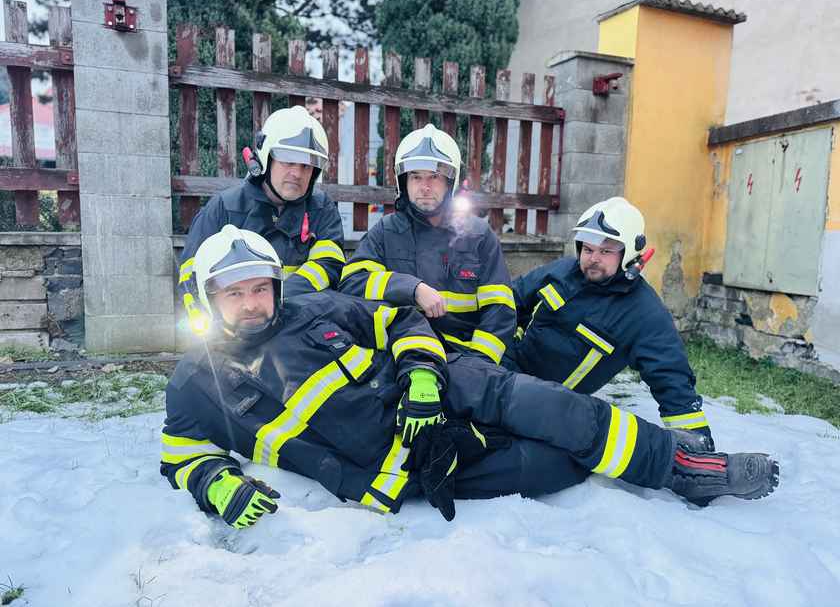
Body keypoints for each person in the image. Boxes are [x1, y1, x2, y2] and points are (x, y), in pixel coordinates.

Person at [159, 225, 778, 528]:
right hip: (413, 464)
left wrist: (422, 376)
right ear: (206, 299)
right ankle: (635, 456)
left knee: (558, 409)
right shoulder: (195, 382)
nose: (252, 304)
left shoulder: (311, 307)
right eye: (234, 293)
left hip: (447, 383)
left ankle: (686, 468)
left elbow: (399, 321)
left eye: (260, 288)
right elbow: (181, 452)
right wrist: (215, 484)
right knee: (561, 464)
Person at [507, 197, 715, 447]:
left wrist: (698, 446)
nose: (593, 258)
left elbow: (672, 380)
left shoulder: (643, 314)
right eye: (588, 249)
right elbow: (511, 300)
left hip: (547, 406)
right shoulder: (561, 271)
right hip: (504, 372)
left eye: (605, 251)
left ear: (629, 254)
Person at [338, 124, 515, 366]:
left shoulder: (478, 235)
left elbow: (500, 310)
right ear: (403, 182)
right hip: (403, 354)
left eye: (434, 176)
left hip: (466, 356)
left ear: (450, 182)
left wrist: (479, 364)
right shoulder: (386, 231)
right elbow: (352, 282)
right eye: (416, 177)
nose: (425, 187)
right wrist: (412, 289)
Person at [178, 106, 345, 335]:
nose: (297, 173)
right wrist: (201, 318)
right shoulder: (224, 207)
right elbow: (191, 273)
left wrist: (278, 301)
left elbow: (328, 265)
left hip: (299, 324)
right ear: (266, 159)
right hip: (235, 329)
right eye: (288, 162)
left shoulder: (321, 209)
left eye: (306, 166)